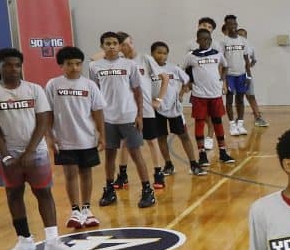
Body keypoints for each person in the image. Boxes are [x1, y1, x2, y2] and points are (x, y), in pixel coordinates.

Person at [0, 47, 70, 250]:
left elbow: (43, 121)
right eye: (7, 65)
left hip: (35, 152)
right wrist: (7, 155)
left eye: (17, 65)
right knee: (13, 194)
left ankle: (53, 241)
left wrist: (29, 152)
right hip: (8, 153)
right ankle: (24, 239)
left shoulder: (34, 90)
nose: (13, 69)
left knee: (44, 193)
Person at [92, 32, 154, 211]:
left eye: (114, 43)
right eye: (107, 43)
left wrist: (140, 115)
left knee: (136, 154)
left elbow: (137, 91)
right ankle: (109, 189)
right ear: (102, 46)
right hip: (107, 117)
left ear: (119, 46)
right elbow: (95, 95)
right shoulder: (95, 67)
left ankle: (147, 190)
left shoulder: (130, 65)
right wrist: (96, 122)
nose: (111, 46)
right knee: (110, 156)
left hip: (128, 116)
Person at [46, 46, 105, 231]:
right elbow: (47, 113)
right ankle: (75, 211)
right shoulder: (53, 85)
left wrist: (102, 134)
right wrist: (49, 136)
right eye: (69, 64)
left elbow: (98, 111)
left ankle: (87, 209)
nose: (74, 67)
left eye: (78, 64)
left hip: (86, 138)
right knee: (70, 174)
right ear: (61, 65)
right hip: (64, 139)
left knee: (86, 173)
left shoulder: (90, 85)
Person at [185, 25, 234, 172]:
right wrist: (190, 83)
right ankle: (201, 154)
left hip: (215, 94)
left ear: (211, 40)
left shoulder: (217, 54)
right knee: (200, 123)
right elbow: (184, 70)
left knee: (218, 122)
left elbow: (225, 67)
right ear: (197, 40)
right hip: (199, 95)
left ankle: (223, 151)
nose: (205, 41)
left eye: (208, 39)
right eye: (202, 39)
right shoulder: (191, 56)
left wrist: (222, 78)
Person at [144, 40, 189, 182]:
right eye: (159, 52)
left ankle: (194, 163)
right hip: (156, 109)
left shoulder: (173, 68)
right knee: (161, 137)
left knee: (184, 135)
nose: (162, 55)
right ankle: (168, 164)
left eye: (165, 53)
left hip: (173, 108)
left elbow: (187, 81)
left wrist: (181, 94)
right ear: (152, 54)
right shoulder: (147, 70)